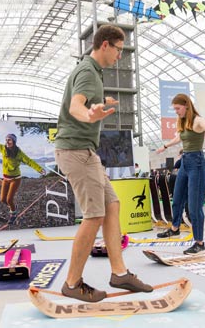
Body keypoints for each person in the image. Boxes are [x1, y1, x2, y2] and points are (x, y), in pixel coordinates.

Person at [54, 24, 152, 303]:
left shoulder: (92, 72)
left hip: (86, 152)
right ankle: (72, 283)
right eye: (119, 50)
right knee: (94, 215)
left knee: (112, 204)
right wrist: (90, 115)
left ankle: (119, 272)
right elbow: (75, 107)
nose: (120, 56)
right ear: (105, 44)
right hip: (76, 151)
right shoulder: (87, 73)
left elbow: (83, 103)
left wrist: (100, 104)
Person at [156, 93, 205, 255]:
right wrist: (164, 146)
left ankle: (199, 242)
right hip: (185, 162)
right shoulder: (184, 122)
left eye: (178, 108)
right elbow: (178, 138)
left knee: (194, 206)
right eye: (175, 109)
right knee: (176, 198)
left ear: (186, 105)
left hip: (197, 163)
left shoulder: (197, 120)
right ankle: (175, 228)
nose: (176, 111)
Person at [0, 133, 46, 224]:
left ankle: (13, 214)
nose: (7, 141)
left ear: (14, 142)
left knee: (9, 199)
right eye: (6, 139)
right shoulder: (3, 149)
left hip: (15, 179)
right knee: (2, 199)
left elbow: (29, 161)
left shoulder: (19, 153)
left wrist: (39, 169)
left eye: (9, 140)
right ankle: (13, 206)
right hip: (5, 179)